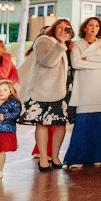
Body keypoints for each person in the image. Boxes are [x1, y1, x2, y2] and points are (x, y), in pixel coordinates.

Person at [17, 19, 75, 171]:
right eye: (59, 27)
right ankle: (43, 158)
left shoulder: (69, 45)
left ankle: (55, 156)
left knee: (61, 124)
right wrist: (60, 44)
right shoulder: (43, 41)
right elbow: (47, 62)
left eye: (66, 28)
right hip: (43, 89)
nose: (63, 30)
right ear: (53, 29)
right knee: (42, 123)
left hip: (63, 89)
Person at [64, 17, 101, 168]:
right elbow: (76, 63)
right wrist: (100, 64)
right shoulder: (77, 44)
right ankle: (79, 157)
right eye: (90, 25)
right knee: (84, 123)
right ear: (84, 27)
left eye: (97, 26)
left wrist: (88, 58)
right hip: (85, 88)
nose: (94, 28)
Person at [0, 80, 21, 180]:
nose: (1, 92)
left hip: (5, 131)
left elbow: (16, 113)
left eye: (4, 90)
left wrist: (6, 116)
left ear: (10, 92)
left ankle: (0, 170)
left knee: (0, 150)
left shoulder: (13, 103)